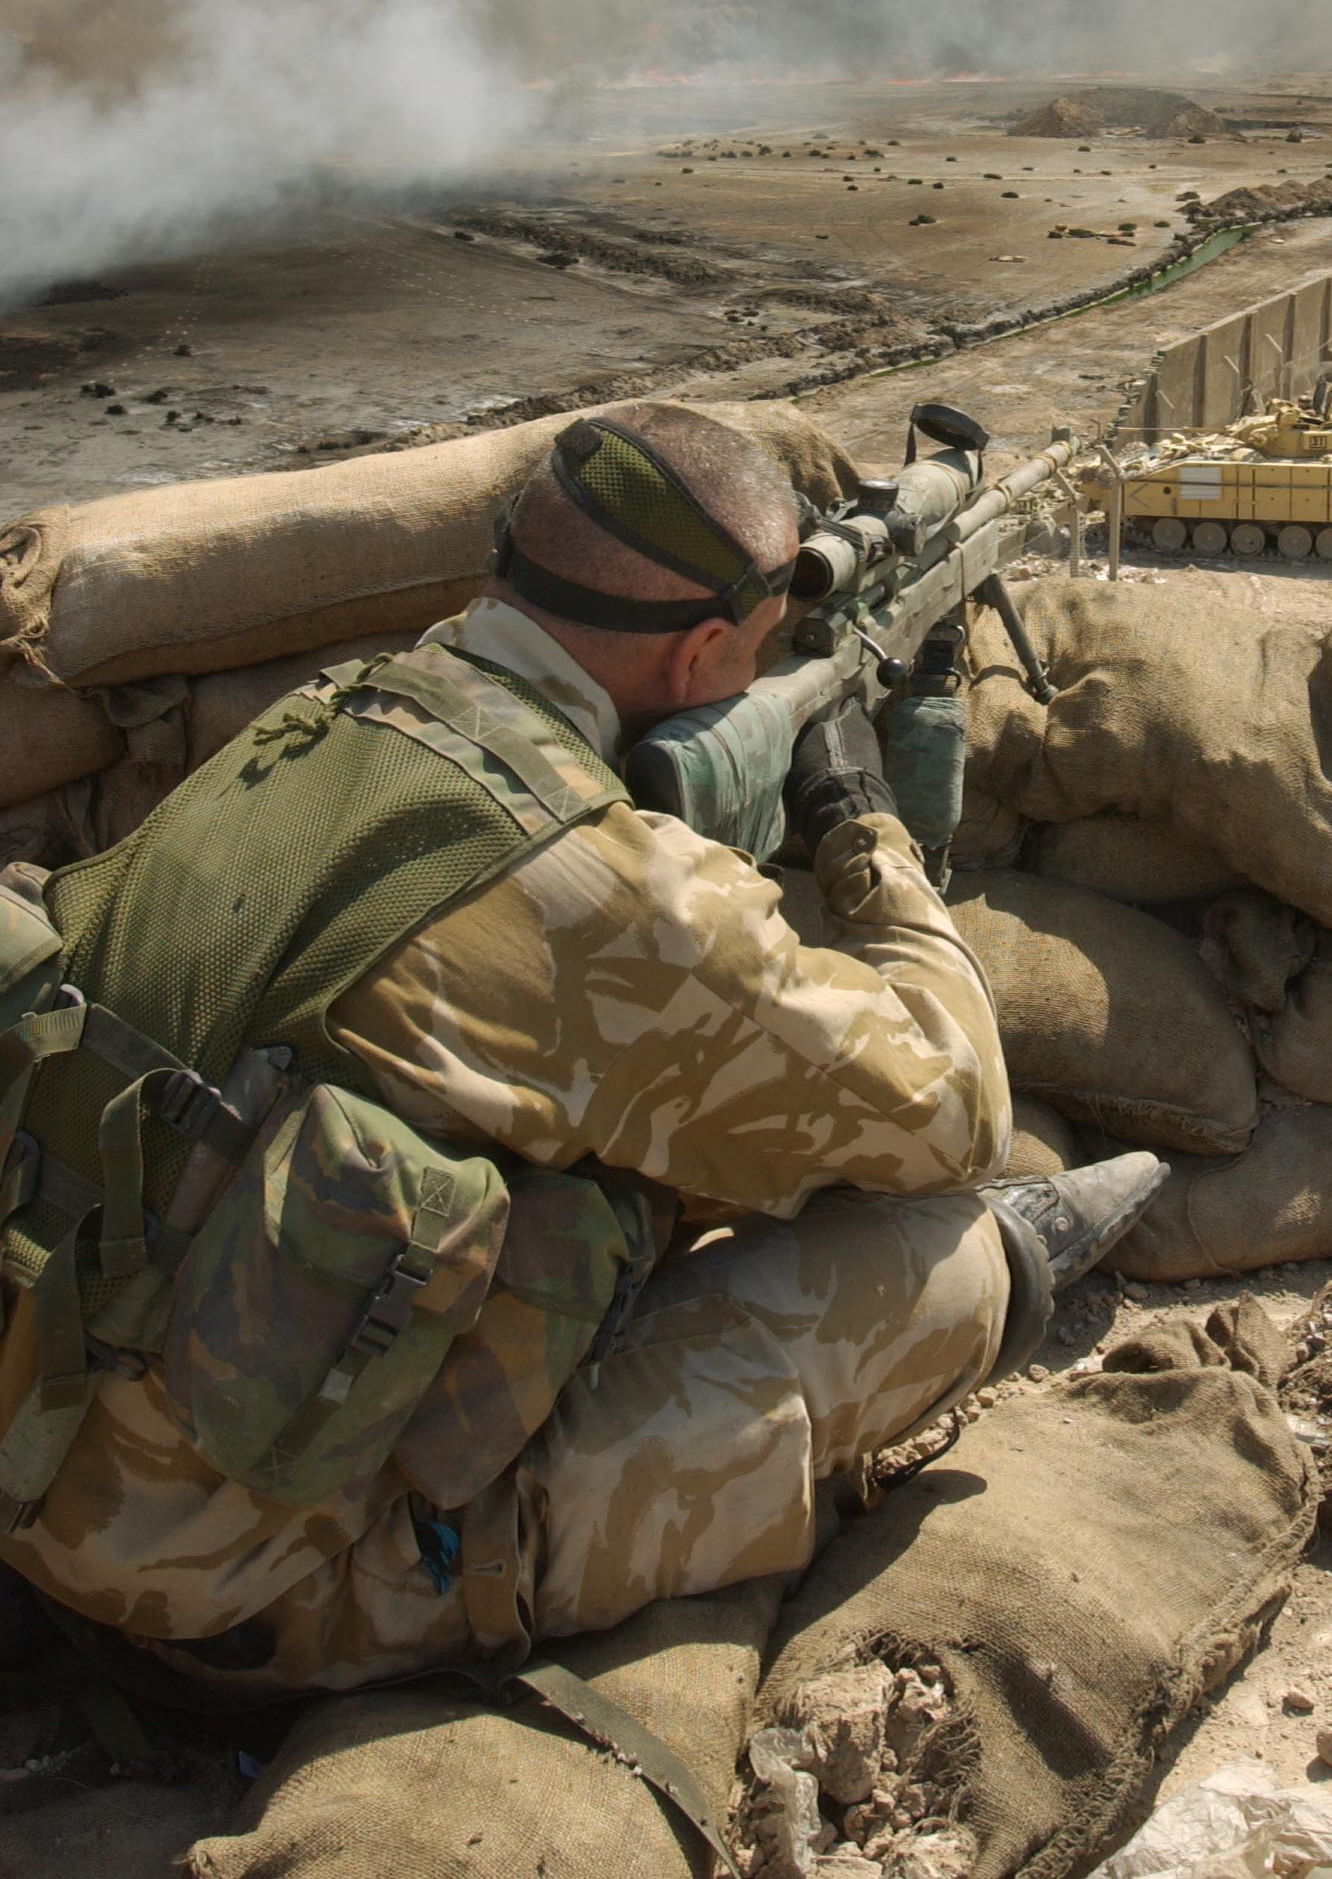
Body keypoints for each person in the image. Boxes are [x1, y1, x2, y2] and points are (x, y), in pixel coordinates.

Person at [0, 402, 1159, 1697]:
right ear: (702, 651)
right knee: (940, 1257)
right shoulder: (613, 896)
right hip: (232, 1588)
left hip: (48, 1434)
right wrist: (861, 824)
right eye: (752, 659)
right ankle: (1015, 1271)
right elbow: (955, 1107)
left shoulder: (326, 718)